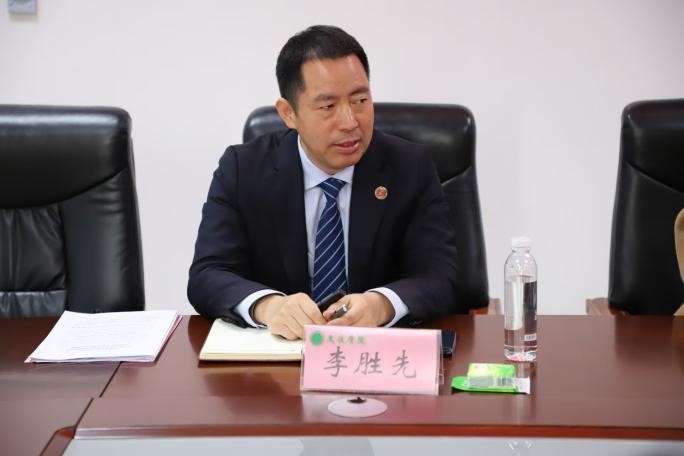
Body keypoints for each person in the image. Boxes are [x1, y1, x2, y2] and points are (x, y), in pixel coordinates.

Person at [188, 25, 461, 339]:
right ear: (288, 114)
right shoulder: (242, 169)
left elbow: (441, 276)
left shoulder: (410, 167)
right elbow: (207, 274)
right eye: (328, 107)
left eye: (360, 100)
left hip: (375, 354)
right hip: (280, 356)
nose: (350, 122)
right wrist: (269, 307)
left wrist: (381, 304)